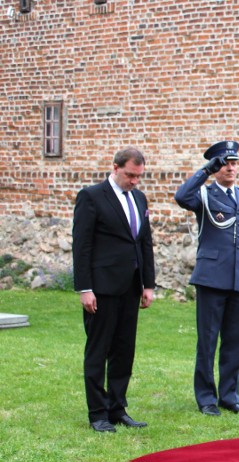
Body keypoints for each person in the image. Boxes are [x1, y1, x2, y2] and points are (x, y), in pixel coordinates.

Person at [175, 141, 239, 416]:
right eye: (225, 163)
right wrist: (204, 171)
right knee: (208, 341)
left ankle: (229, 396)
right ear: (216, 167)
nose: (231, 168)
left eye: (234, 163)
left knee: (235, 341)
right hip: (212, 279)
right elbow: (181, 197)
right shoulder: (204, 194)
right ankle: (206, 398)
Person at [72, 147, 155, 432]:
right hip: (102, 288)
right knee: (98, 351)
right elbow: (81, 246)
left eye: (138, 176)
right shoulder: (92, 196)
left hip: (130, 287)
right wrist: (85, 288)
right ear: (116, 168)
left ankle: (117, 408)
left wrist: (148, 284)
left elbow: (144, 242)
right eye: (130, 175)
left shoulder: (139, 198)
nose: (134, 181)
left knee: (124, 351)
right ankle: (98, 413)